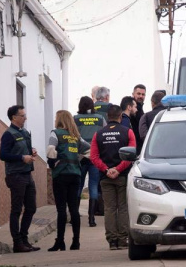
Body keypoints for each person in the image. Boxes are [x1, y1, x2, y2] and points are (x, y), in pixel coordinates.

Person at [90, 105, 136, 250]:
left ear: (107, 117)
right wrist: (118, 169)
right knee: (122, 207)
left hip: (105, 177)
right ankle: (123, 239)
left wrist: (106, 169)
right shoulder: (128, 132)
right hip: (122, 176)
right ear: (120, 116)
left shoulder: (98, 134)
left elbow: (93, 157)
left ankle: (112, 241)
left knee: (109, 208)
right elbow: (131, 154)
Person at [46, 110, 90, 251]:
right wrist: (78, 159)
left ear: (59, 119)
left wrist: (54, 162)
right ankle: (76, 242)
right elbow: (90, 150)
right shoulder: (76, 136)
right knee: (74, 209)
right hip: (75, 174)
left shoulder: (56, 133)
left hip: (61, 174)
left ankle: (60, 242)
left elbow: (50, 150)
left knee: (61, 210)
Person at [0, 105, 39, 253]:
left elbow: (26, 149)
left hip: (27, 174)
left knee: (31, 208)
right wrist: (22, 157)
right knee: (16, 209)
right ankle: (17, 243)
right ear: (14, 117)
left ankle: (24, 239)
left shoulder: (24, 132)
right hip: (15, 175)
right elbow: (3, 155)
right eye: (22, 115)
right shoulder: (8, 134)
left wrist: (32, 151)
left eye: (25, 115)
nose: (25, 118)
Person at [73, 96, 107, 227]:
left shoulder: (75, 119)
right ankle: (91, 219)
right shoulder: (99, 118)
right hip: (94, 157)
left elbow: (72, 135)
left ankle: (74, 217)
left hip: (80, 157)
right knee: (93, 186)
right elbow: (104, 134)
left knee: (79, 186)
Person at [130, 84, 146, 154]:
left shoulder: (140, 108)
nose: (141, 96)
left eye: (143, 94)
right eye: (138, 94)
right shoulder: (135, 108)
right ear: (133, 94)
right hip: (135, 145)